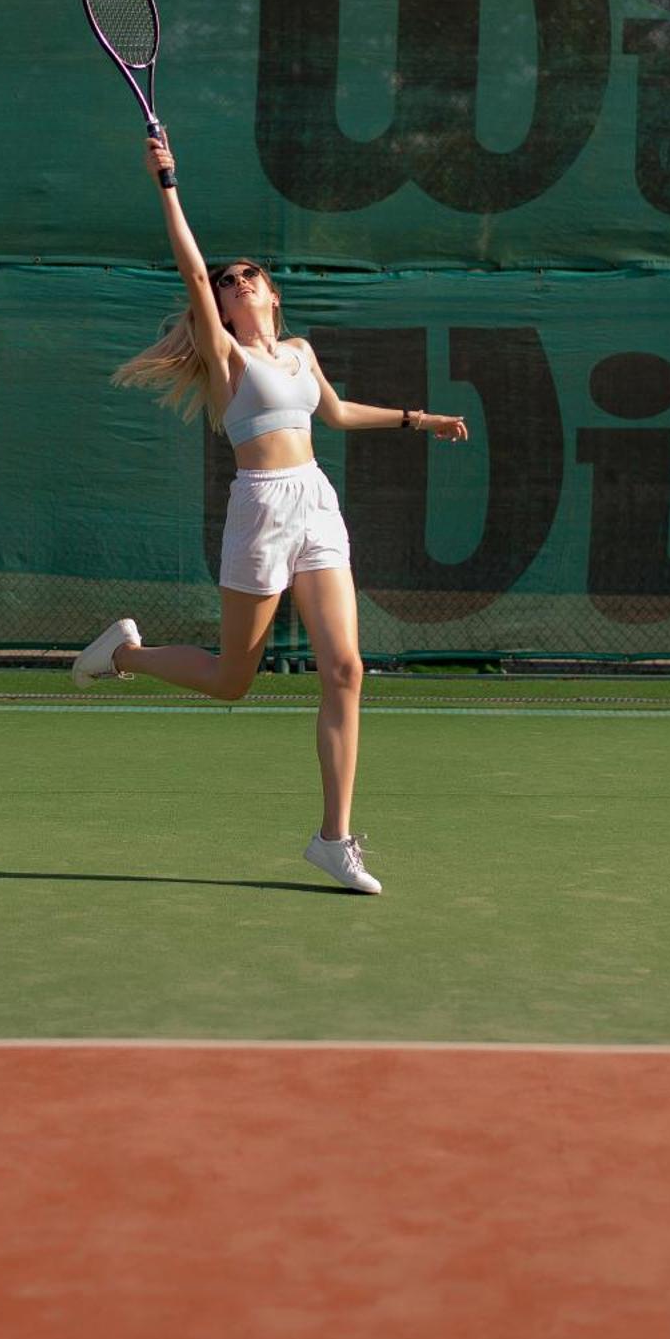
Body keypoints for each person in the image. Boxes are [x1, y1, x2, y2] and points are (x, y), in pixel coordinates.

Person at [73, 130, 469, 894]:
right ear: (216, 304)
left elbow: (340, 415)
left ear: (273, 293)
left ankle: (334, 838)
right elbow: (190, 264)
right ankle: (122, 654)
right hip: (258, 511)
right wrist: (167, 183)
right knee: (232, 680)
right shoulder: (227, 360)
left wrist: (418, 420)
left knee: (346, 669)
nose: (238, 281)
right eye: (228, 280)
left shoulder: (301, 352)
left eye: (251, 274)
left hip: (316, 503)